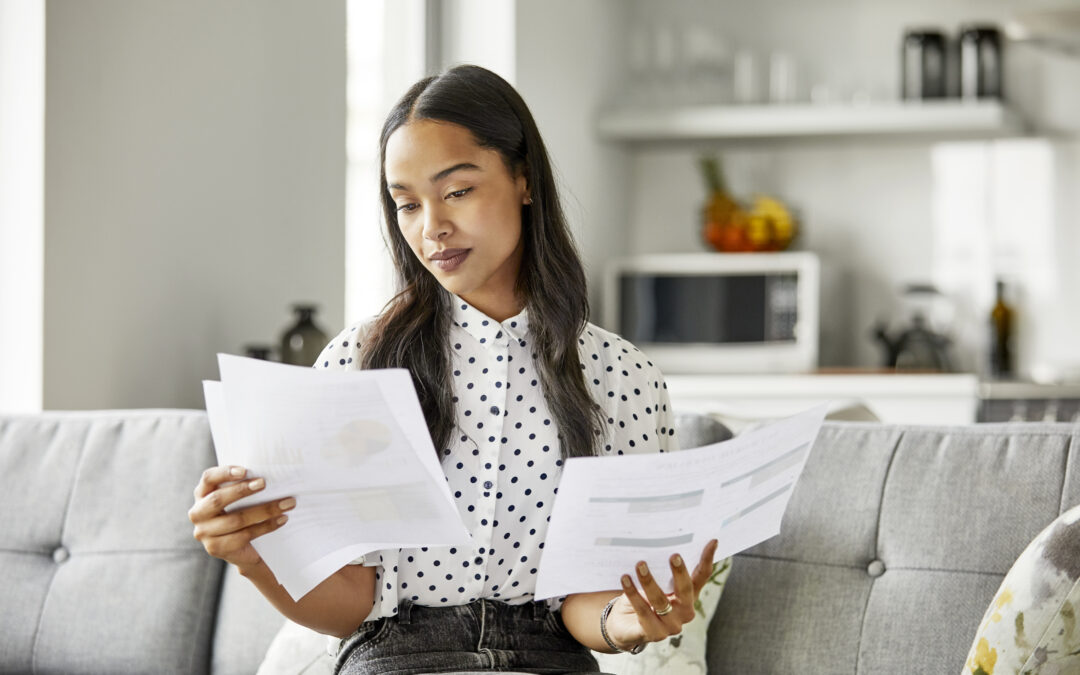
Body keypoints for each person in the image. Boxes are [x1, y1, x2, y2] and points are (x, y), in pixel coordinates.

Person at [189, 64, 719, 675]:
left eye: (458, 191)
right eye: (406, 204)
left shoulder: (622, 375)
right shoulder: (355, 365)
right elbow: (351, 606)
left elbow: (584, 603)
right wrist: (251, 554)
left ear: (524, 180)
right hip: (396, 657)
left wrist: (623, 621)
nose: (431, 227)